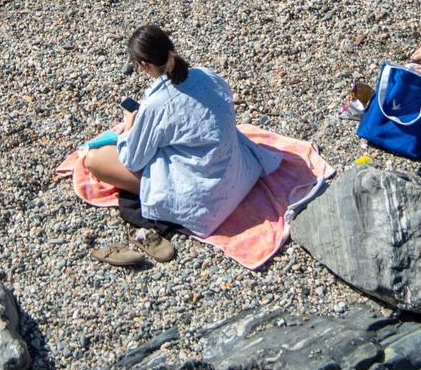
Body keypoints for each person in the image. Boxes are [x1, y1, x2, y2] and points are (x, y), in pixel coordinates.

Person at [82, 24, 282, 243]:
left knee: (94, 159)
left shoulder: (157, 105)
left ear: (144, 65)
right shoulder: (206, 75)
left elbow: (132, 160)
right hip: (238, 174)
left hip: (205, 200)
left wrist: (129, 125)